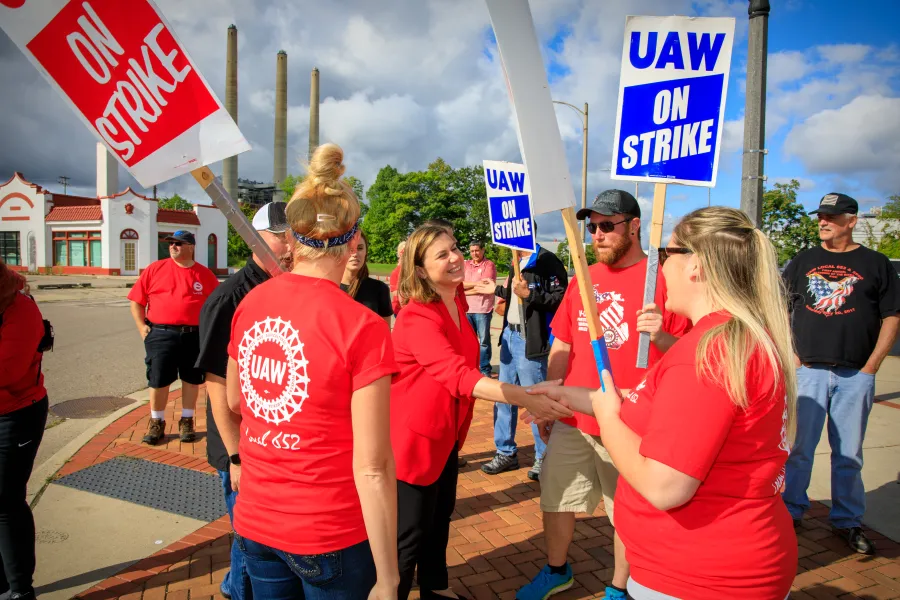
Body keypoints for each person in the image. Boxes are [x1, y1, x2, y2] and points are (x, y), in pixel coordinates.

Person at [529, 206, 799, 599]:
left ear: (697, 266)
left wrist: (606, 416)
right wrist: (573, 396)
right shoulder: (730, 338)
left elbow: (664, 486)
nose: (662, 266)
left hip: (699, 575)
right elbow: (656, 409)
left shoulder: (706, 353)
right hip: (710, 563)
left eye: (668, 254)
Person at [226, 143, 399, 599]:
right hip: (328, 529)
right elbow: (375, 467)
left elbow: (234, 401)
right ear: (352, 238)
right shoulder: (361, 324)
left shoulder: (251, 302)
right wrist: (389, 576)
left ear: (294, 237)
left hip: (256, 522)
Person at [516, 190, 689, 600]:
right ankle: (557, 569)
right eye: (591, 226)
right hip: (575, 415)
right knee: (556, 496)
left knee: (626, 512)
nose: (597, 234)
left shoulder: (661, 279)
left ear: (633, 226)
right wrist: (552, 401)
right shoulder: (584, 277)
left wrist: (659, 334)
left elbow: (686, 354)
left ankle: (619, 586)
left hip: (630, 419)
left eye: (607, 226)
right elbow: (562, 344)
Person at [391, 225, 573, 600]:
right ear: (420, 270)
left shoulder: (454, 299)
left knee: (440, 519)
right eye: (442, 255)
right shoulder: (417, 317)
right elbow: (458, 376)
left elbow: (482, 293)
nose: (456, 257)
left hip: (446, 434)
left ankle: (436, 588)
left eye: (454, 248)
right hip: (414, 443)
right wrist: (526, 396)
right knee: (408, 535)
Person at [782, 193, 900, 555]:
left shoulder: (876, 263)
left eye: (831, 216)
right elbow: (781, 309)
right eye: (820, 215)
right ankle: (791, 513)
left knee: (848, 453)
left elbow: (892, 315)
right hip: (810, 372)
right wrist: (793, 355)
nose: (822, 221)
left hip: (855, 375)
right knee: (799, 450)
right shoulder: (802, 261)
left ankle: (847, 521)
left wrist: (872, 365)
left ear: (851, 220)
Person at [195, 201, 293, 600]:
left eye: (293, 235)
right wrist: (235, 456)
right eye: (280, 235)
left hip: (272, 438)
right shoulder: (231, 297)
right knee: (247, 537)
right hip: (239, 444)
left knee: (260, 538)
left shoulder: (285, 287)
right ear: (257, 239)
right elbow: (217, 385)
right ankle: (237, 591)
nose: (289, 244)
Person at [473, 243, 567, 481]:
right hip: (509, 335)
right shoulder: (516, 260)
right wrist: (495, 289)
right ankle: (505, 451)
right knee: (503, 398)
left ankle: (543, 456)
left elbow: (562, 299)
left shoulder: (547, 261)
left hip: (531, 341)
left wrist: (531, 295)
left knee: (535, 401)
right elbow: (516, 297)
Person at [128, 230, 219, 445]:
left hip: (193, 336)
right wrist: (142, 327)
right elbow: (136, 301)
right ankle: (156, 422)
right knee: (158, 379)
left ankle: (186, 420)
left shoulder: (204, 275)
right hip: (161, 334)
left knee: (191, 380)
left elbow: (216, 307)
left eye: (178, 243)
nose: (173, 247)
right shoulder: (155, 269)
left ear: (191, 247)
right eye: (171, 243)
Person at [0, 263, 48, 600]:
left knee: (6, 500)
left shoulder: (20, 307)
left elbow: (8, 370)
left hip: (15, 415)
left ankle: (19, 589)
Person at [342, 230, 393, 325]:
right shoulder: (329, 288)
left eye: (360, 248)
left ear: (366, 252)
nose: (355, 254)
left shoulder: (379, 289)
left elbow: (385, 331)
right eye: (349, 248)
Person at [463, 241, 497, 378]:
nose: (474, 253)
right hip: (467, 309)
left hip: (483, 309)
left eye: (477, 250)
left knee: (483, 342)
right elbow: (460, 284)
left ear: (483, 250)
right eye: (472, 251)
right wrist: (476, 284)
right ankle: (471, 368)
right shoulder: (466, 265)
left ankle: (484, 370)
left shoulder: (489, 265)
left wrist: (465, 290)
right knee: (468, 341)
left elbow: (486, 287)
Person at [390, 241, 406, 317]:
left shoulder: (415, 270)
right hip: (399, 309)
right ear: (400, 255)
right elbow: (395, 292)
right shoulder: (396, 272)